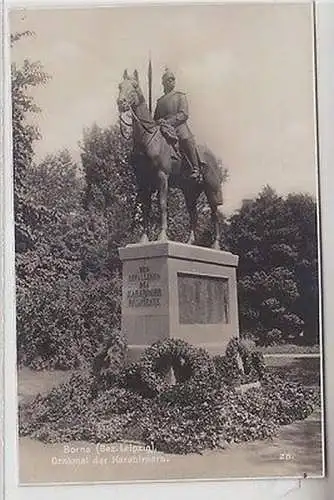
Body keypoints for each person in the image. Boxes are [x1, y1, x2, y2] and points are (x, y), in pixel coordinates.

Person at [154, 68, 201, 181]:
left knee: (186, 139)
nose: (171, 82)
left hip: (178, 125)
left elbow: (184, 114)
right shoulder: (160, 101)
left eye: (172, 80)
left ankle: (196, 168)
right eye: (168, 80)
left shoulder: (180, 96)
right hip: (163, 127)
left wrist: (170, 122)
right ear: (164, 83)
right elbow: (155, 118)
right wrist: (158, 122)